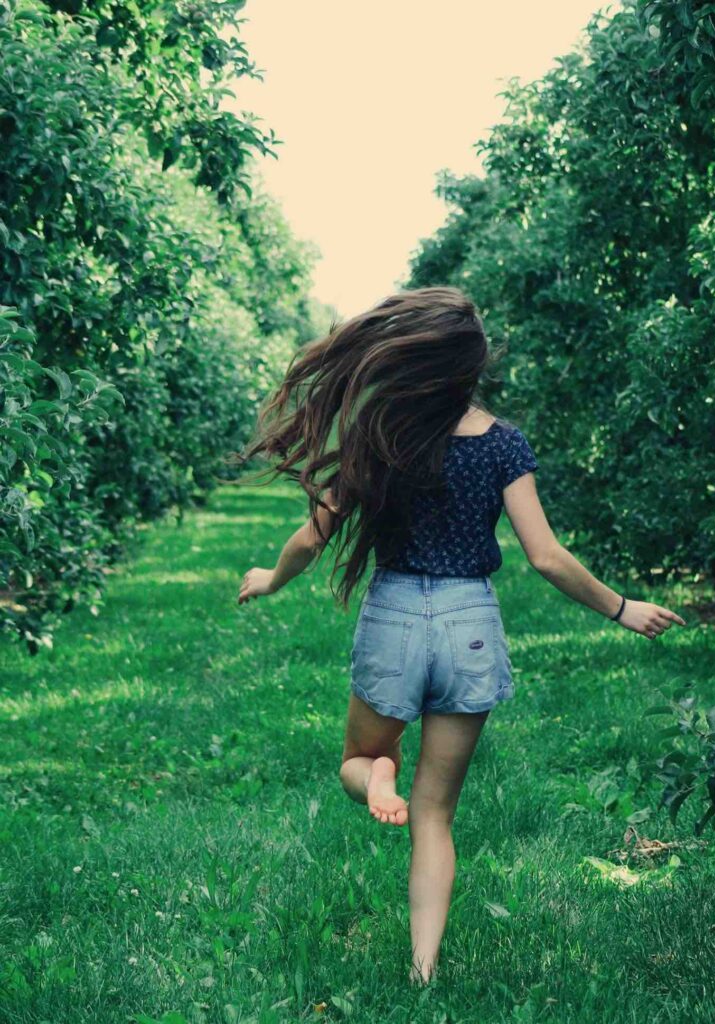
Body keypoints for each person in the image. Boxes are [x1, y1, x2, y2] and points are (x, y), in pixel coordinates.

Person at [233, 286, 686, 987]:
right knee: (435, 812)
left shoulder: (378, 432)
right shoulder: (503, 444)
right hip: (468, 623)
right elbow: (546, 556)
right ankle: (422, 968)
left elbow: (312, 536)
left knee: (358, 761)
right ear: (469, 368)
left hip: (393, 617)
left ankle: (375, 776)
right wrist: (620, 607)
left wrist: (270, 579)